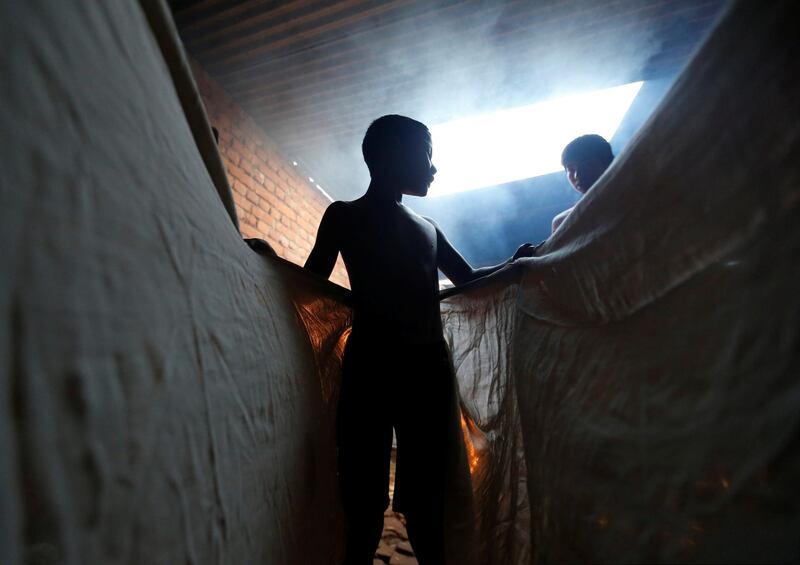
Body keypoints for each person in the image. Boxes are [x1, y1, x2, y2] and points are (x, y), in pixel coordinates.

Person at [305, 115, 526, 564]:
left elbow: (466, 279)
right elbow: (310, 284)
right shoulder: (344, 215)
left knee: (427, 501)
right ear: (389, 155)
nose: (433, 166)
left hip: (427, 372)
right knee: (363, 500)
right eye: (426, 153)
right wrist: (266, 263)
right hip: (369, 367)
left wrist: (516, 264)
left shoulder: (428, 226)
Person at [551, 134, 614, 232]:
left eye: (587, 165)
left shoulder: (635, 200)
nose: (577, 175)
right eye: (571, 169)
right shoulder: (562, 222)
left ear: (608, 163)